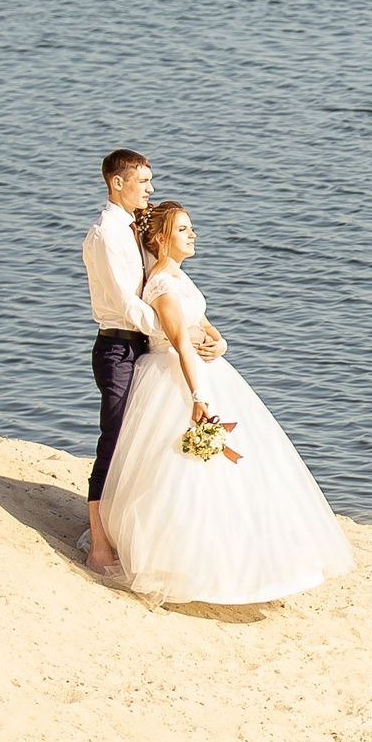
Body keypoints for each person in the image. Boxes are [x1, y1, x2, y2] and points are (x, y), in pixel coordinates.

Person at [97, 201, 354, 605]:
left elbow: (201, 325)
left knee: (237, 471)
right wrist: (198, 397)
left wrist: (221, 341)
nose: (193, 235)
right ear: (162, 241)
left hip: (206, 369)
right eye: (183, 230)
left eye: (191, 228)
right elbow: (180, 341)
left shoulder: (178, 278)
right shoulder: (161, 284)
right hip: (176, 376)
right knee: (185, 473)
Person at [80, 151, 219, 575]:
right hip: (119, 347)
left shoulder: (136, 230)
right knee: (115, 439)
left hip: (146, 347)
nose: (150, 188)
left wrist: (199, 336)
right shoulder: (106, 234)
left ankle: (133, 528)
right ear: (117, 183)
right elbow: (127, 304)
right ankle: (99, 546)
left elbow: (167, 283)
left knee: (146, 441)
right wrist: (175, 336)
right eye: (143, 180)